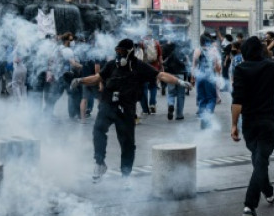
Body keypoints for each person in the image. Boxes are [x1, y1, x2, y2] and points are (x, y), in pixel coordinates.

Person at [73, 39, 191, 184]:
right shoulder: (111, 65)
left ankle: (126, 176)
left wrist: (179, 82)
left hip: (126, 108)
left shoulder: (139, 66)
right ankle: (99, 163)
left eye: (122, 52)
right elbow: (97, 78)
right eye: (117, 51)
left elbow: (160, 75)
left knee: (127, 143)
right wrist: (80, 80)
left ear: (130, 52)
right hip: (108, 104)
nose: (119, 54)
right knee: (98, 130)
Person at [230, 36, 274, 216]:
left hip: (249, 123)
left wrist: (234, 125)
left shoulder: (240, 69)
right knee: (261, 160)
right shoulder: (272, 67)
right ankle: (250, 206)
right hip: (267, 120)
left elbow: (237, 101)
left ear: (243, 53)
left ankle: (268, 191)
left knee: (259, 159)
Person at [193, 33, 222, 129]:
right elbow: (218, 67)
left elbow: (194, 65)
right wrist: (218, 76)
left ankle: (203, 119)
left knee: (202, 99)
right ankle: (207, 118)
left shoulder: (197, 50)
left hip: (200, 77)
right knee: (211, 99)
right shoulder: (213, 50)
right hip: (210, 77)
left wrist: (192, 78)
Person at [162, 41, 188, 121]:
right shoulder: (182, 53)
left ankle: (171, 104)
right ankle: (179, 114)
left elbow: (164, 63)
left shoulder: (169, 52)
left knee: (171, 93)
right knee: (181, 95)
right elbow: (186, 64)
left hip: (171, 75)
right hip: (181, 75)